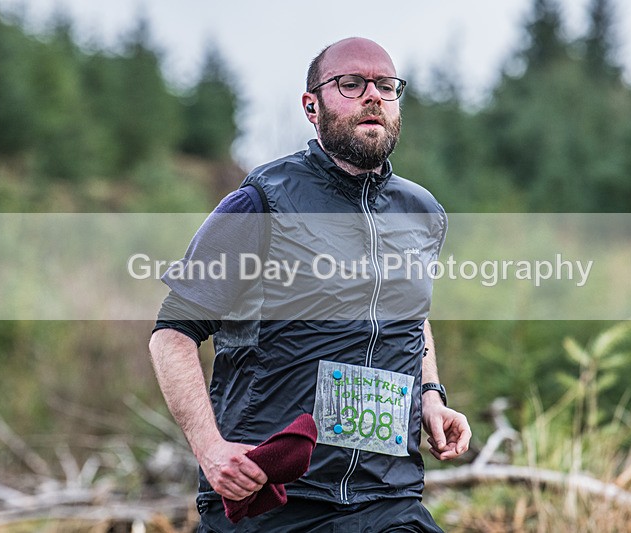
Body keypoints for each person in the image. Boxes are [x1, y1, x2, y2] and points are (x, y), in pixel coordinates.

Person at [148, 37, 471, 532]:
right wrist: (211, 449)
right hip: (273, 497)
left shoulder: (421, 212)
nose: (373, 96)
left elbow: (411, 316)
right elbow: (173, 333)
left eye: (386, 86)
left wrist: (431, 394)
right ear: (311, 106)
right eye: (351, 84)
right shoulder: (262, 203)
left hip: (387, 496)